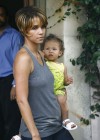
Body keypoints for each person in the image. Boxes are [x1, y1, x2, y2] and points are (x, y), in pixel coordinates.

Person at [13, 6, 74, 140]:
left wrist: (65, 80)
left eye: (43, 26)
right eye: (34, 28)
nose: (41, 32)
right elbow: (21, 100)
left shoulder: (42, 54)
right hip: (39, 132)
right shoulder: (24, 58)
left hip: (56, 126)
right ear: (23, 30)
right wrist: (35, 135)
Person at [41, 34, 77, 131]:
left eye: (54, 49)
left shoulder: (62, 66)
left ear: (60, 53)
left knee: (62, 101)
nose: (50, 51)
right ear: (43, 52)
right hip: (46, 91)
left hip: (58, 90)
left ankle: (65, 120)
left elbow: (64, 81)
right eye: (47, 48)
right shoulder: (43, 64)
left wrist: (67, 81)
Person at [0, 4, 23, 140]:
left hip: (8, 81)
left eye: (1, 15)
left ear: (7, 17)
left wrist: (15, 85)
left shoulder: (15, 36)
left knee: (10, 119)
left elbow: (18, 63)